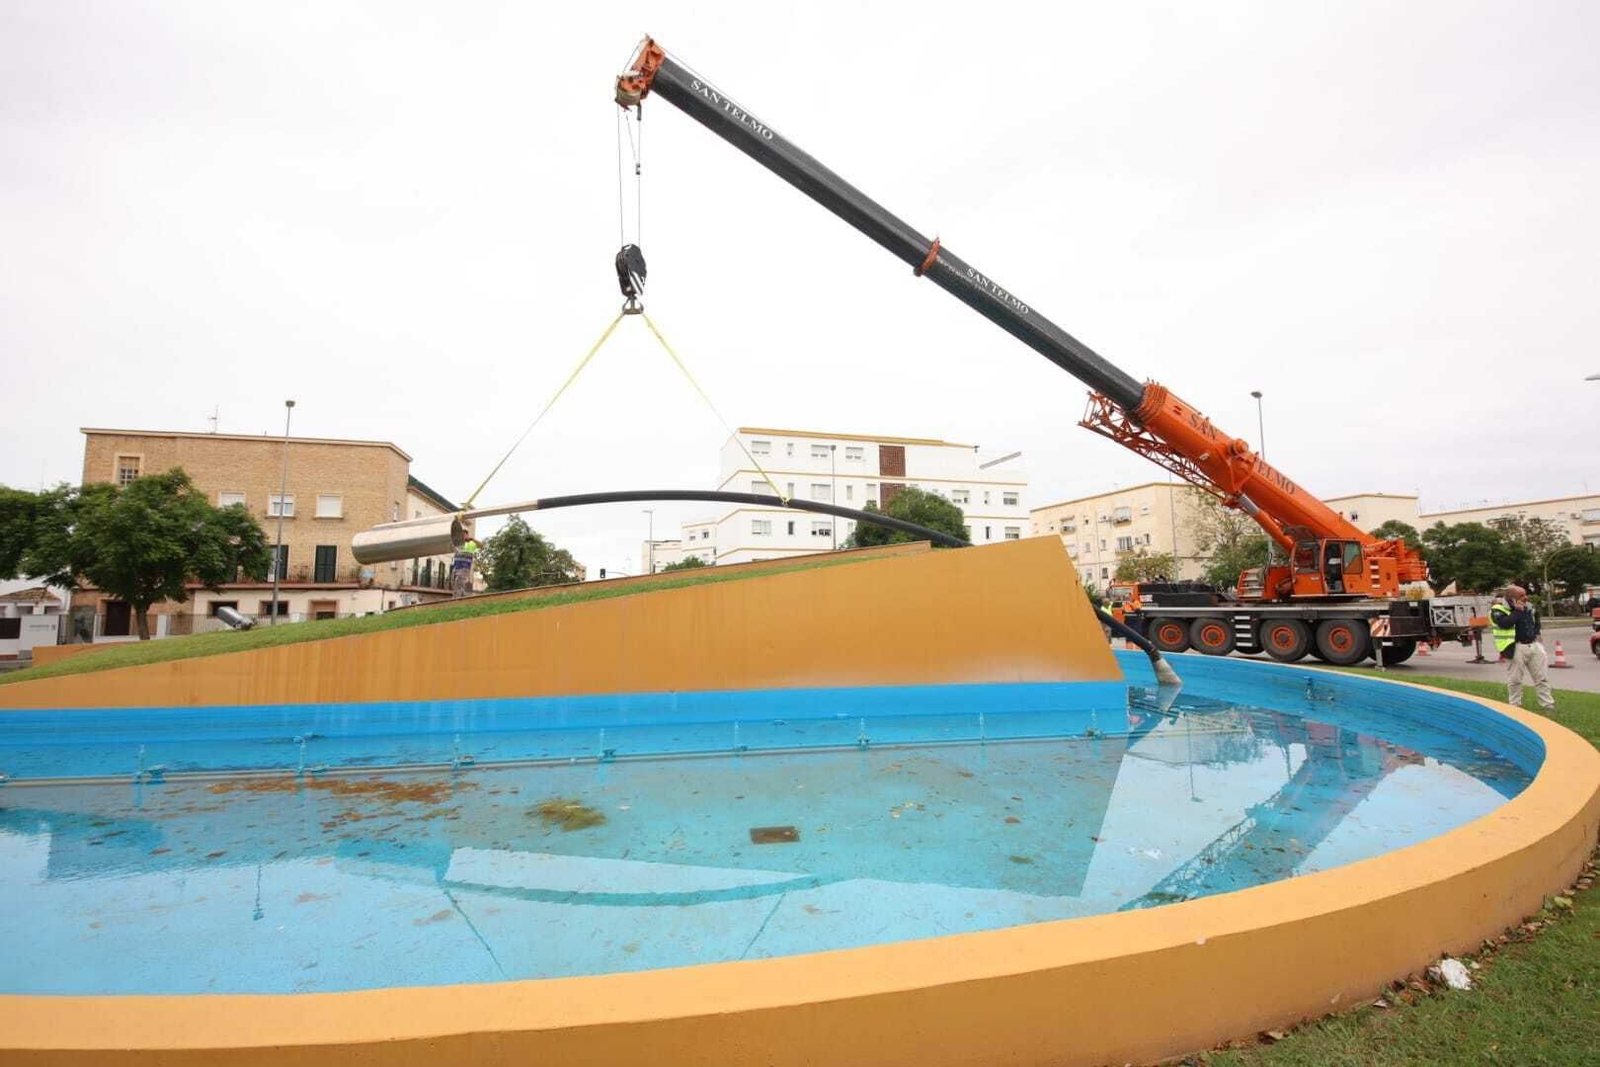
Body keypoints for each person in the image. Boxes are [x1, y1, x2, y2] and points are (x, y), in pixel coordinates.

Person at [1489, 585, 1554, 711]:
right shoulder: (1498, 609)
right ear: (1511, 598)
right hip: (1515, 647)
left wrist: (1536, 633)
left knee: (1542, 678)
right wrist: (1517, 611)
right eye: (1521, 595)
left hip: (1533, 645)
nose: (1526, 597)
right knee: (1515, 680)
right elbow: (1504, 624)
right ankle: (1515, 706)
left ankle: (1547, 704)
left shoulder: (1529, 607)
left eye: (1525, 594)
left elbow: (1537, 619)